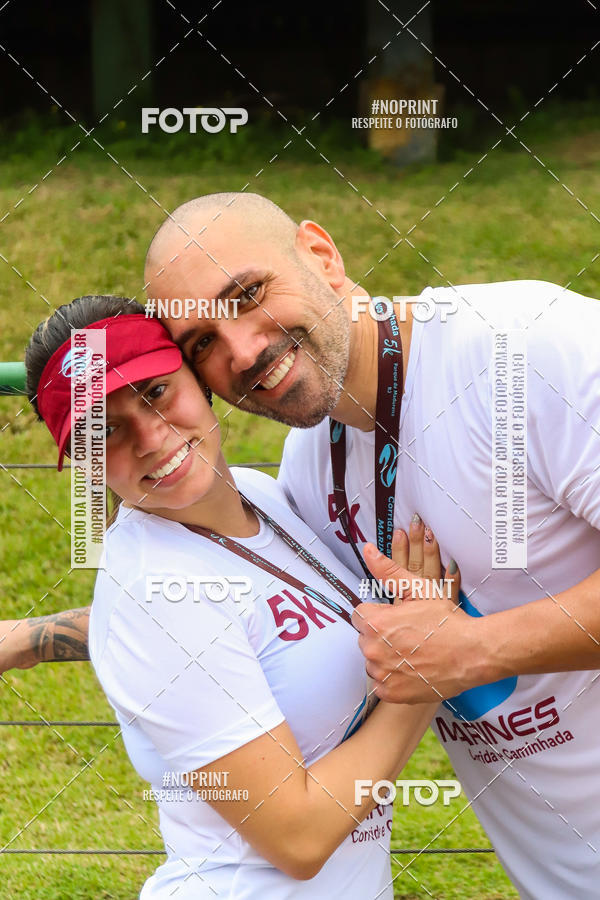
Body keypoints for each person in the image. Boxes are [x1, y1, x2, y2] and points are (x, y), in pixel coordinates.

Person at [3, 190, 600, 897]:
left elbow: (247, 613)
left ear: (321, 253)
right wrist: (40, 638)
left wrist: (469, 649)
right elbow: (212, 621)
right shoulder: (311, 471)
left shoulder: (529, 349)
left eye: (250, 294)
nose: (244, 348)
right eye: (203, 342)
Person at [23, 294, 458, 899]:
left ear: (198, 380)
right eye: (104, 430)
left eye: (155, 392)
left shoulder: (259, 495)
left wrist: (29, 639)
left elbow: (239, 621)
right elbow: (299, 837)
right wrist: (433, 661)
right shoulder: (154, 596)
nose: (151, 437)